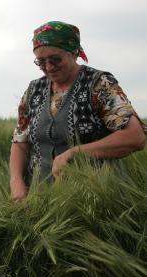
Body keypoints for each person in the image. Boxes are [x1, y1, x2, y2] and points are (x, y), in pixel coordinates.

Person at [9, 21, 146, 202]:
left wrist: (76, 153)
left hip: (96, 201)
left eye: (55, 59)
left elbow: (135, 136)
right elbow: (20, 141)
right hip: (40, 202)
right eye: (41, 61)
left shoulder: (99, 84)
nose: (48, 67)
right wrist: (17, 183)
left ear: (73, 53)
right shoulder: (34, 90)